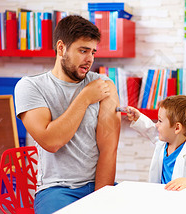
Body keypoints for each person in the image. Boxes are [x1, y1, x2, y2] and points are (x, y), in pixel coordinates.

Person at [14, 15, 121, 213]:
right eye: (83, 51)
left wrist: (101, 199)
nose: (90, 59)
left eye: (93, 52)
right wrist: (85, 97)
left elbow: (109, 149)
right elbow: (51, 141)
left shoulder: (104, 85)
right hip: (56, 189)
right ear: (61, 48)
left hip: (99, 185)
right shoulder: (30, 87)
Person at [126, 95, 186, 191]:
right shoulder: (163, 143)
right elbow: (150, 130)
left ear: (177, 128)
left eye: (160, 121)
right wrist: (138, 118)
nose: (156, 124)